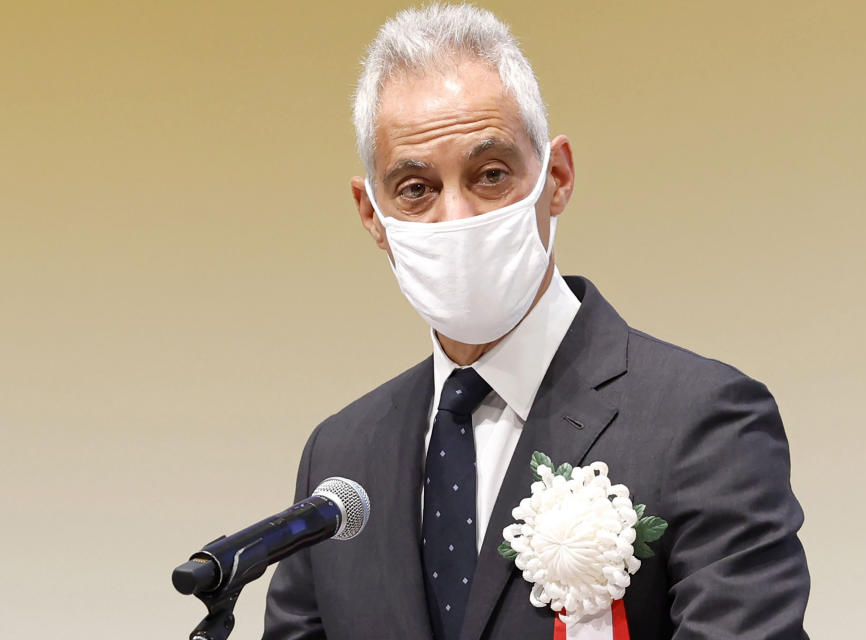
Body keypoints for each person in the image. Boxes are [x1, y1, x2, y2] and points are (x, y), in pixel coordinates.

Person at [263, 4, 810, 639]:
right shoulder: (340, 457)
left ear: (557, 177)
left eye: (489, 175)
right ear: (371, 215)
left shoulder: (704, 423)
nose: (456, 216)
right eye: (415, 188)